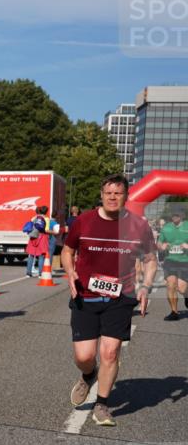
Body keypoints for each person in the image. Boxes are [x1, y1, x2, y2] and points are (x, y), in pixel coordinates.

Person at [62, 174, 157, 427]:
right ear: (101, 195)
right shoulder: (83, 221)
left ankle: (102, 404)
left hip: (120, 297)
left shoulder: (138, 226)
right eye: (108, 193)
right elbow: (68, 250)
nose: (113, 197)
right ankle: (88, 374)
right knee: (84, 355)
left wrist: (145, 287)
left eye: (118, 193)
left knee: (110, 352)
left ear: (126, 196)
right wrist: (70, 272)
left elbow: (149, 259)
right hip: (85, 296)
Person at [158, 208, 188, 321]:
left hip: (185, 261)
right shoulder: (166, 228)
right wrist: (161, 246)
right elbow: (159, 242)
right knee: (171, 284)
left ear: (182, 215)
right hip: (170, 260)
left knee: (182, 289)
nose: (175, 216)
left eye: (177, 214)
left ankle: (186, 296)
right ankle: (174, 312)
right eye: (173, 215)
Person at [24, 205, 50, 277]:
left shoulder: (34, 218)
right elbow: (46, 230)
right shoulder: (47, 219)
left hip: (33, 237)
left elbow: (31, 226)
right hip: (42, 237)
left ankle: (28, 273)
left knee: (31, 255)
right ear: (46, 211)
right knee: (41, 255)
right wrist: (54, 232)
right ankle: (40, 274)